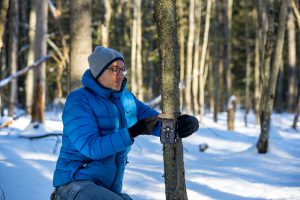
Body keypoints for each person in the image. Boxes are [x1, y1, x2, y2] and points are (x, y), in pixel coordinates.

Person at [51, 46, 199, 200]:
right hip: (73, 186)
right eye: (114, 69)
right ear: (98, 71)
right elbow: (91, 147)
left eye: (123, 69)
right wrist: (133, 131)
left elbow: (156, 123)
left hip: (107, 190)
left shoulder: (127, 99)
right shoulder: (79, 100)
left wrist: (189, 123)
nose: (120, 74)